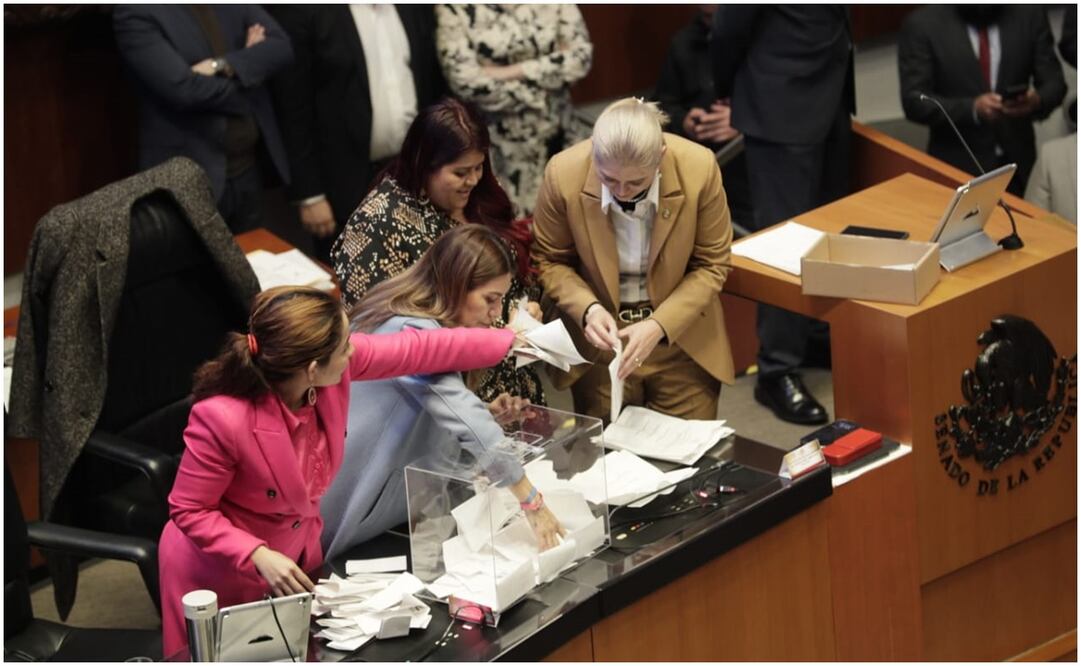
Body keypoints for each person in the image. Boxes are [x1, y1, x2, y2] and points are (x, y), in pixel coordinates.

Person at [158, 285, 520, 654]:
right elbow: (190, 509)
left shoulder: (328, 372)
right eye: (346, 345)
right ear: (313, 369)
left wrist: (511, 341)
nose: (355, 349)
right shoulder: (221, 418)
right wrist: (255, 554)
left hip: (295, 563)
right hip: (221, 573)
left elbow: (421, 349)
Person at [322, 225, 565, 561]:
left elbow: (436, 406)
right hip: (353, 503)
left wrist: (488, 411)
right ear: (456, 285)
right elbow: (464, 415)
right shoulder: (410, 328)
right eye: (490, 300)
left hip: (382, 498)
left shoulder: (408, 311)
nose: (496, 313)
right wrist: (530, 499)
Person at [331, 97, 545, 406]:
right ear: (424, 165)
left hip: (515, 385)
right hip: (446, 399)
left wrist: (528, 308)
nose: (472, 180)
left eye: (479, 167)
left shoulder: (479, 194)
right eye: (460, 172)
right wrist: (500, 332)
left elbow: (516, 263)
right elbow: (385, 338)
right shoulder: (377, 224)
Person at [532, 98, 734, 422]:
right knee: (607, 460)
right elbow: (549, 260)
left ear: (661, 157)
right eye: (609, 180)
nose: (623, 192)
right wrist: (588, 309)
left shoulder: (699, 167)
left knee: (692, 461)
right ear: (594, 149)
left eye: (636, 182)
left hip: (679, 337)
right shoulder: (563, 173)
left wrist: (658, 325)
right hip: (602, 342)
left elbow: (713, 264)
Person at [712, 5, 853, 426]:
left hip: (832, 94)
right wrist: (733, 90)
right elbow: (728, 27)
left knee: (829, 235)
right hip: (780, 101)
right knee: (786, 244)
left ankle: (811, 338)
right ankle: (775, 370)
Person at [267, 5, 448, 261]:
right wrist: (309, 195)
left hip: (412, 173)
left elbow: (432, 86)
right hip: (345, 185)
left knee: (423, 276)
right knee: (356, 285)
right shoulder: (305, 12)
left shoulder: (414, 8)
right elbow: (293, 109)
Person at [113, 5, 293, 233]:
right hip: (191, 179)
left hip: (248, 171)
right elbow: (185, 90)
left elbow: (281, 46)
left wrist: (222, 65)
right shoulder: (137, 11)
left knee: (252, 262)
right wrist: (249, 74)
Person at [435, 4, 593, 216]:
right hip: (495, 154)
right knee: (506, 232)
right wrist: (544, 86)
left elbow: (580, 58)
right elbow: (465, 80)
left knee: (569, 222)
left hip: (559, 139)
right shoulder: (455, 7)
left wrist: (509, 71)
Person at [898, 5, 1066, 197]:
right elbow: (914, 100)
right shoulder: (922, 25)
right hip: (957, 169)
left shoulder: (1029, 15)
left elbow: (1055, 83)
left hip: (1018, 168)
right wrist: (972, 109)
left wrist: (1036, 100)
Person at [653, 4, 753, 232]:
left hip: (749, 164)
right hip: (695, 164)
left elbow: (782, 104)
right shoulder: (683, 41)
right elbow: (662, 105)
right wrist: (684, 120)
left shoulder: (760, 41)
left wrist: (741, 118)